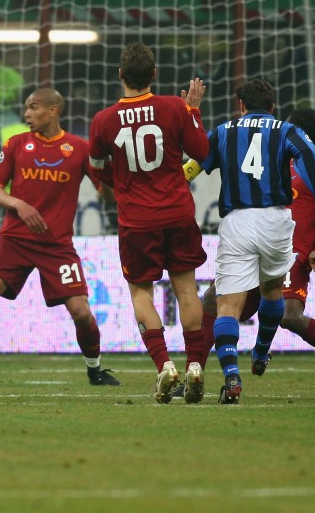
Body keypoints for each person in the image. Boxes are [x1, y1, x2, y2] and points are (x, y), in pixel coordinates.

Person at [187, 85, 315, 404]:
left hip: (238, 221)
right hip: (276, 220)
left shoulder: (224, 131)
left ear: (240, 104)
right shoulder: (287, 130)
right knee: (272, 292)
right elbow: (310, 161)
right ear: (273, 106)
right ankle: (260, 352)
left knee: (227, 305)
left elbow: (198, 160)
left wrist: (193, 118)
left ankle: (231, 376)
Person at [0, 88, 120, 388]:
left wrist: (109, 175)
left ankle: (95, 370)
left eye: (33, 108)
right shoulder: (15, 144)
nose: (27, 114)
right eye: (26, 108)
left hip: (57, 245)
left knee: (82, 311)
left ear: (53, 110)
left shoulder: (78, 148)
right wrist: (19, 204)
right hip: (15, 240)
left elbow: (108, 195)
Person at [88, 41, 210, 404]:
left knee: (142, 292)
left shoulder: (104, 120)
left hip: (136, 221)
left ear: (120, 75)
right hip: (177, 213)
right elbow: (202, 153)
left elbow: (96, 169)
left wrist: (121, 182)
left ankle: (164, 366)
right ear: (154, 75)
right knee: (186, 289)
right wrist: (193, 111)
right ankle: (194, 365)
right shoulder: (175, 107)